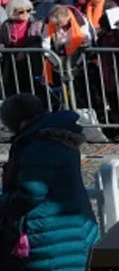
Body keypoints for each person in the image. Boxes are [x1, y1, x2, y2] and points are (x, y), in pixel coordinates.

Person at [0, 93, 100, 270]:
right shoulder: (56, 136)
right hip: (72, 230)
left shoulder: (37, 146)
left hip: (49, 235)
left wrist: (4, 199)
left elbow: (30, 193)